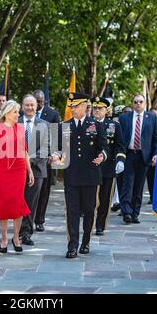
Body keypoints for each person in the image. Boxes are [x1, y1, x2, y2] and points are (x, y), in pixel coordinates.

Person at [52, 92, 108, 258]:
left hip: (90, 175)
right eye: (71, 106)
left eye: (75, 106)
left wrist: (102, 156)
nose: (72, 109)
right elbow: (58, 147)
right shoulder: (65, 126)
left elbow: (104, 147)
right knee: (72, 211)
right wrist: (55, 155)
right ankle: (73, 245)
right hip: (72, 175)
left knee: (90, 211)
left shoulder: (96, 125)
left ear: (84, 106)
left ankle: (86, 241)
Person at [0, 101, 34, 253]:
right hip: (2, 170)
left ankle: (15, 237)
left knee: (18, 202)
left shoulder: (20, 128)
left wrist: (30, 171)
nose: (18, 115)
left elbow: (25, 151)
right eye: (15, 112)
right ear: (7, 113)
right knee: (3, 202)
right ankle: (4, 238)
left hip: (19, 169)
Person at [118, 94, 157, 224]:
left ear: (145, 103)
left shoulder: (151, 117)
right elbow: (120, 138)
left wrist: (155, 154)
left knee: (139, 186)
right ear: (132, 103)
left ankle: (135, 214)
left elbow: (156, 138)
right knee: (127, 184)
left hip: (144, 156)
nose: (138, 104)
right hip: (129, 155)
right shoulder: (124, 118)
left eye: (141, 102)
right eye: (135, 102)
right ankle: (126, 212)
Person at [91, 97, 125, 236]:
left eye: (100, 108)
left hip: (108, 168)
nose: (97, 110)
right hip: (91, 168)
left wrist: (120, 161)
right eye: (95, 108)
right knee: (91, 199)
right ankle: (90, 223)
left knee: (105, 199)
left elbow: (120, 146)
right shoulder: (88, 124)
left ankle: (100, 225)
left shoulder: (114, 126)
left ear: (107, 110)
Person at [18, 94, 49, 246]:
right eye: (27, 105)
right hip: (16, 169)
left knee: (30, 203)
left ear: (36, 106)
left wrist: (28, 160)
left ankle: (26, 233)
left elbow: (46, 147)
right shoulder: (14, 123)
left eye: (32, 105)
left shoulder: (44, 124)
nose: (29, 107)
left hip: (37, 170)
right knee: (17, 200)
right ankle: (17, 231)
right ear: (22, 106)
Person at [33, 89, 60, 232]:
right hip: (29, 158)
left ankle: (39, 220)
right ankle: (27, 218)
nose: (38, 104)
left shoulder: (52, 114)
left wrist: (54, 154)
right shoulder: (24, 112)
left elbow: (55, 136)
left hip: (46, 159)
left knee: (44, 191)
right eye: (36, 101)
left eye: (40, 101)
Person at [146, 107, 157, 204]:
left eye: (156, 114)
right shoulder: (147, 125)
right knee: (150, 177)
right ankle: (152, 196)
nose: (154, 116)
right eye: (153, 114)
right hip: (149, 155)